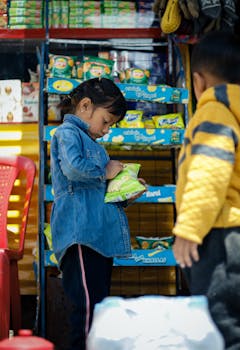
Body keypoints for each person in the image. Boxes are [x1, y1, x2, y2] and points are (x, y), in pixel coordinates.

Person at [172, 30, 240, 349]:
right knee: (229, 319)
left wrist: (189, 229)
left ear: (198, 81)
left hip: (216, 232)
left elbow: (208, 173)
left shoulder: (213, 114)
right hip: (236, 233)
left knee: (224, 326)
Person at [50, 77, 144, 350]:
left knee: (99, 309)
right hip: (81, 236)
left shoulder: (96, 147)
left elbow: (103, 193)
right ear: (85, 106)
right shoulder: (67, 134)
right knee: (88, 309)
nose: (106, 131)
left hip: (100, 238)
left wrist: (126, 192)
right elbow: (72, 169)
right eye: (105, 122)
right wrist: (105, 172)